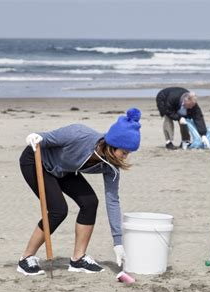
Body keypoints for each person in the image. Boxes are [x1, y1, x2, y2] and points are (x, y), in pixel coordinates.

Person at [17, 108, 141, 275]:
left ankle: (77, 259)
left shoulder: (111, 167)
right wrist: (36, 137)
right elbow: (46, 138)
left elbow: (112, 200)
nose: (125, 157)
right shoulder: (79, 134)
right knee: (58, 210)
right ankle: (26, 258)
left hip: (63, 170)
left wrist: (117, 242)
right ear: (113, 145)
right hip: (36, 161)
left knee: (90, 203)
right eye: (124, 152)